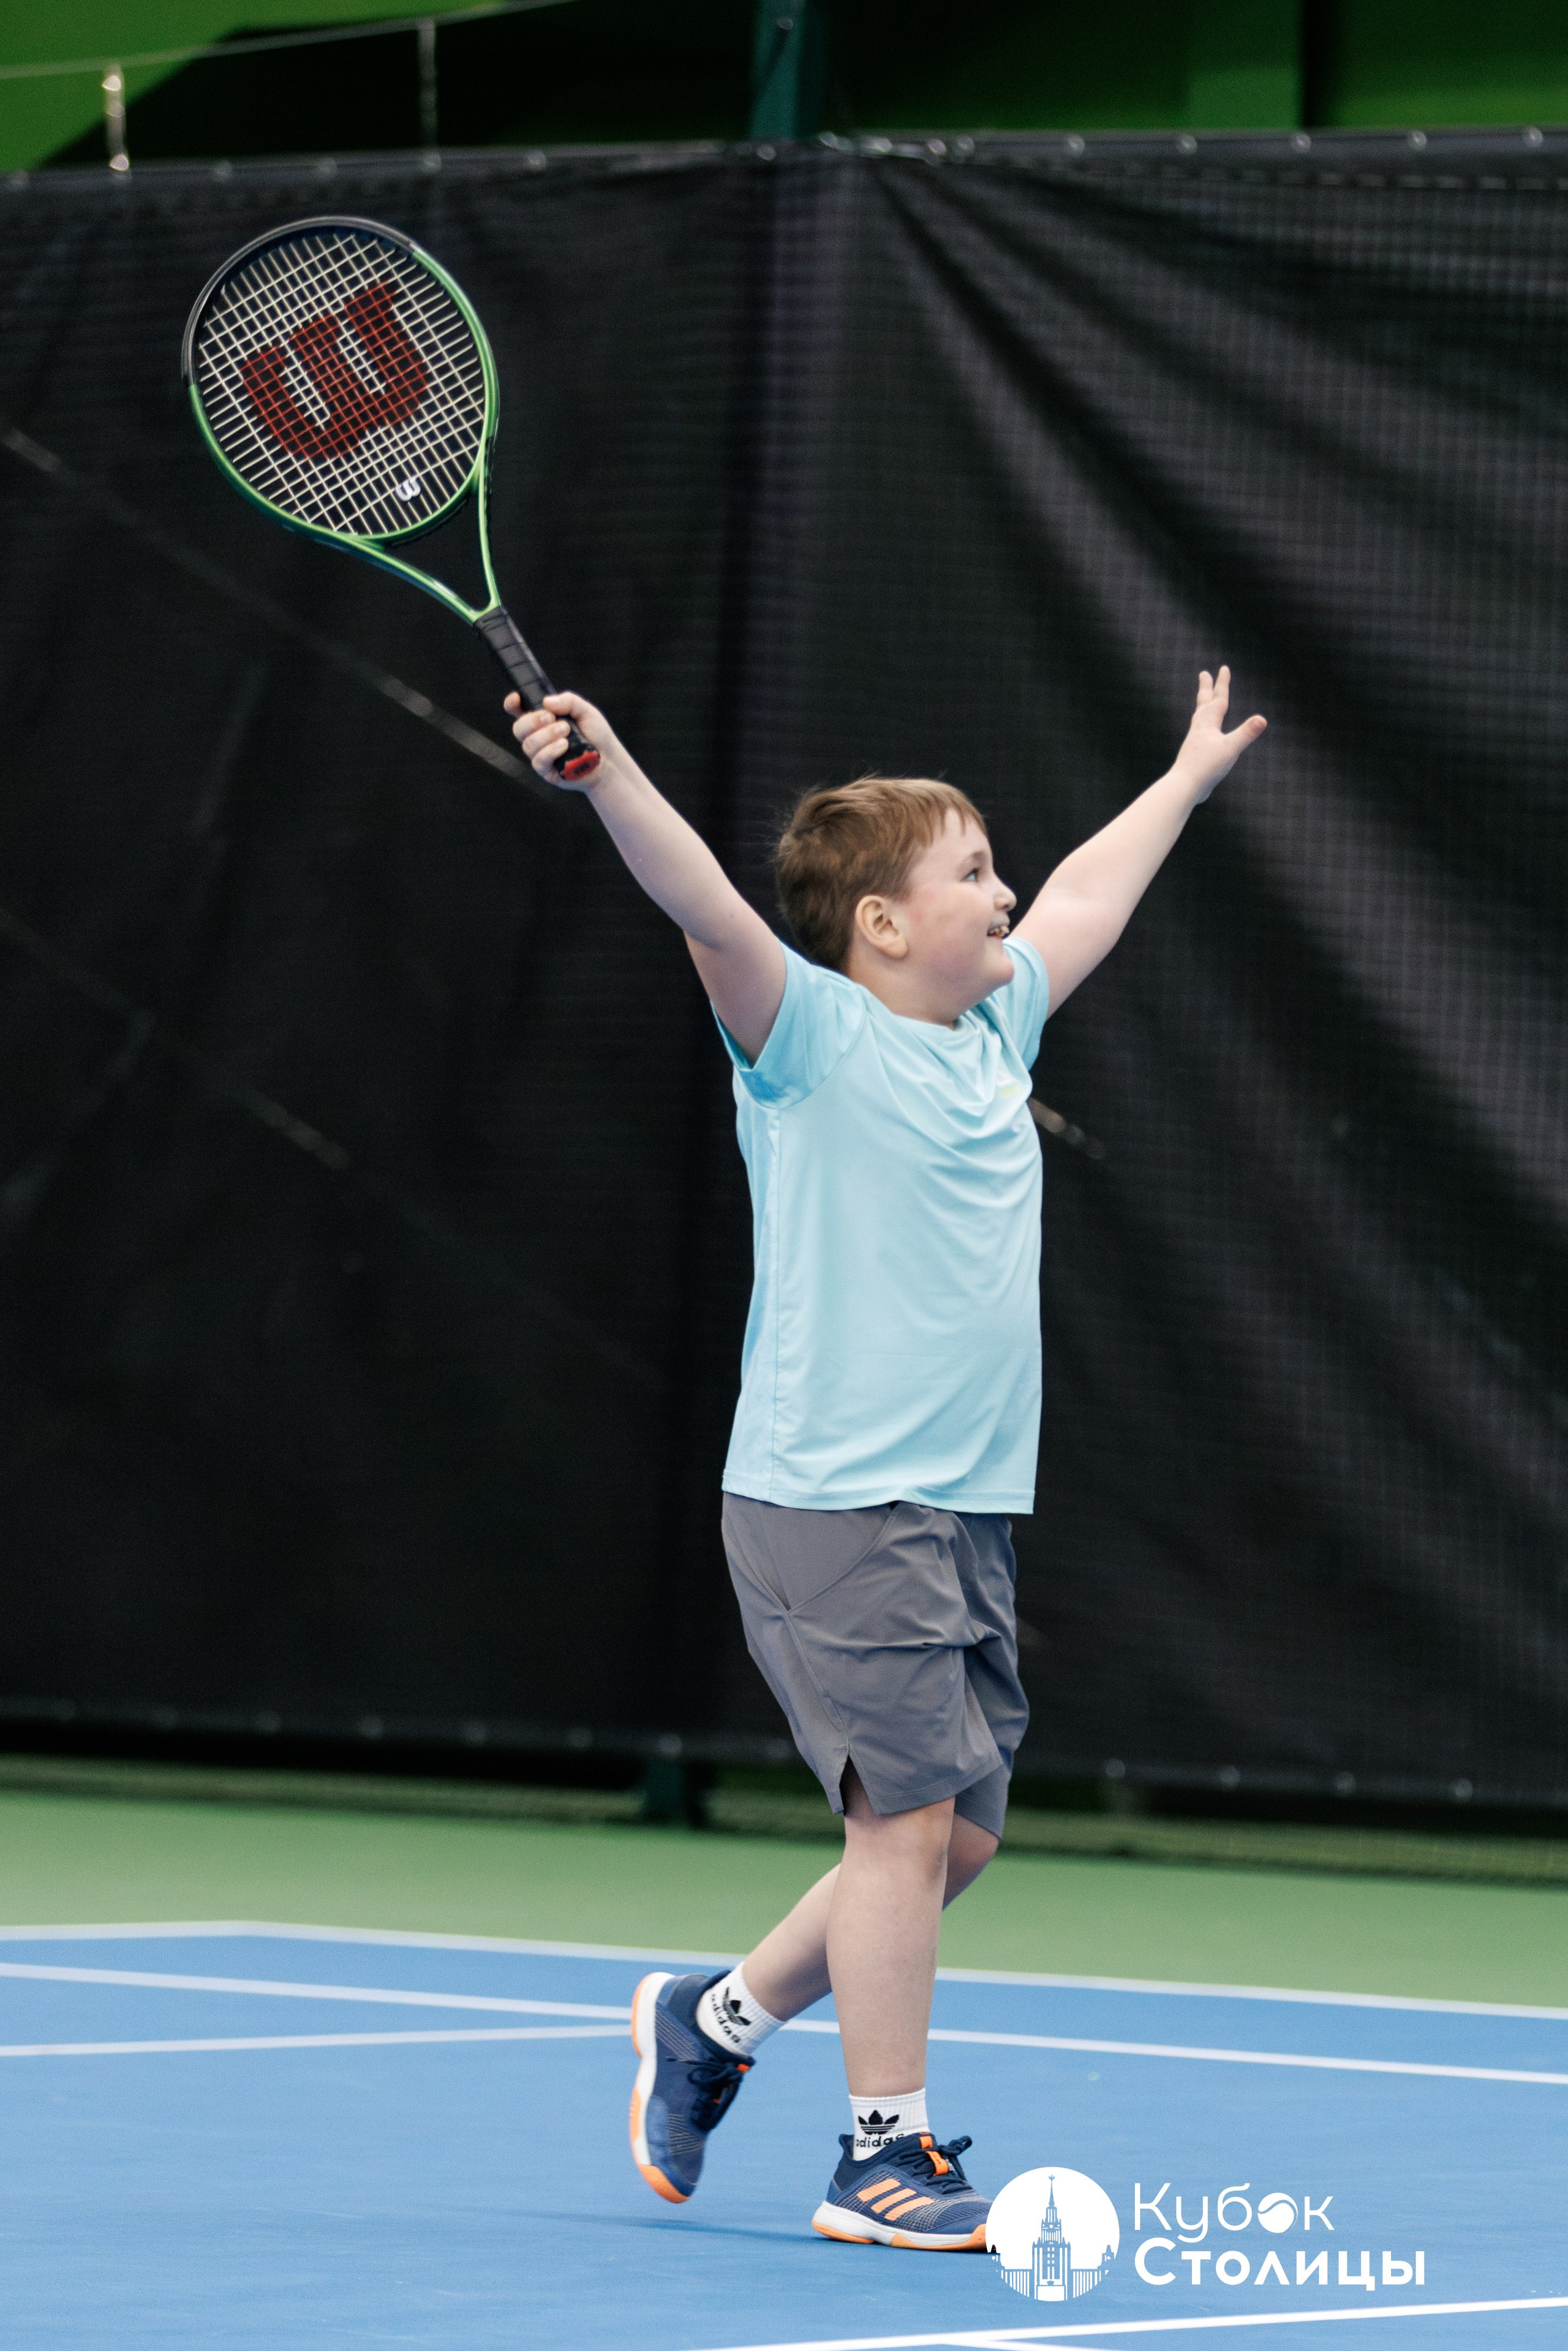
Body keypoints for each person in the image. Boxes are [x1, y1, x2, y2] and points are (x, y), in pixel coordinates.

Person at [507, 670, 1266, 2249]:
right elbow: (706, 906)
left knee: (956, 1840)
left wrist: (1184, 782)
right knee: (902, 1831)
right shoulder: (808, 1042)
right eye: (970, 872)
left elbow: (1087, 895)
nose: (1006, 890)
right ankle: (882, 2155)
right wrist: (611, 772)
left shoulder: (999, 1027)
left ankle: (711, 2025)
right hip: (832, 1501)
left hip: (966, 1507)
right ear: (878, 927)